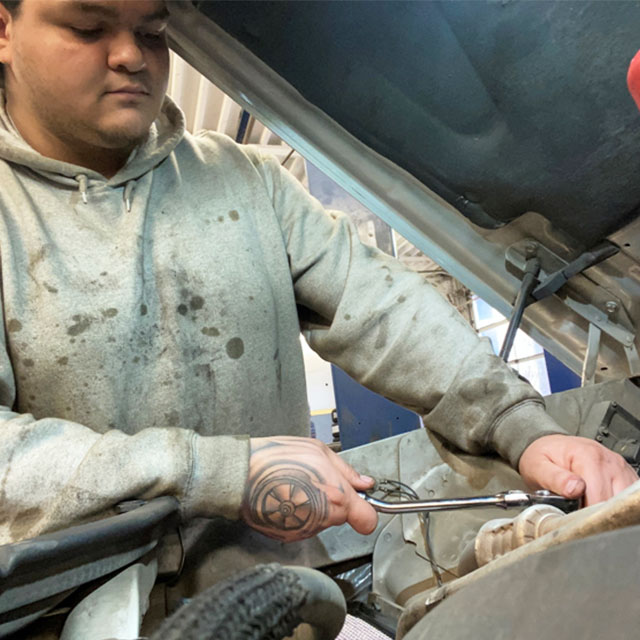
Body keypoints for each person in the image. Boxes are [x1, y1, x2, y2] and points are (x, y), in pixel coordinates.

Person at [0, 0, 636, 553]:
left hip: (284, 598)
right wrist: (214, 472)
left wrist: (523, 430)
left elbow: (385, 313)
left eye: (152, 31)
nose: (131, 56)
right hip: (65, 612)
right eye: (88, 27)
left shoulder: (246, 182)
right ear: (4, 29)